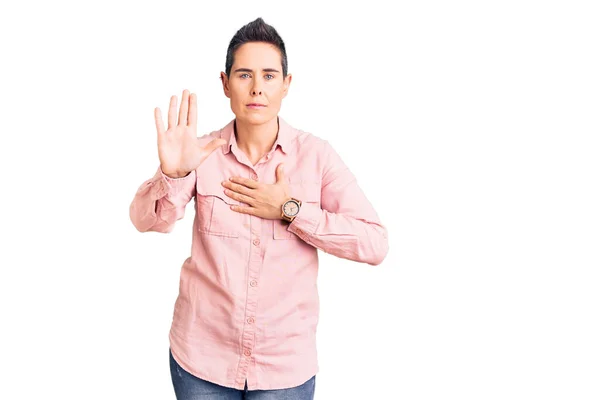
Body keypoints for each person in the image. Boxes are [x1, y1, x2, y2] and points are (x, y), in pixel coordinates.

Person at [129, 17, 389, 400]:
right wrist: (174, 172)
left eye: (269, 76)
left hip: (283, 367)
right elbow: (146, 221)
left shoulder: (316, 157)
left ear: (286, 84)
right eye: (244, 75)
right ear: (224, 83)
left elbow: (374, 243)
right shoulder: (199, 153)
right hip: (202, 360)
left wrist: (289, 208)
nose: (256, 89)